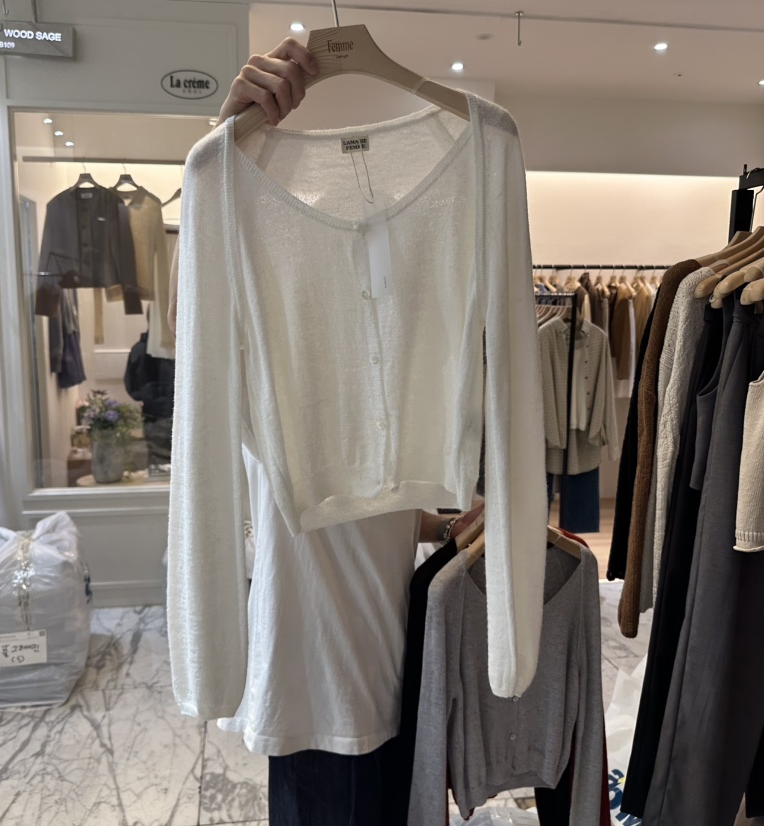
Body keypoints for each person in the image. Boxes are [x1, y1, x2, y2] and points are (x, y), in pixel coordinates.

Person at [169, 38, 485, 825]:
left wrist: (446, 523)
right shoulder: (267, 318)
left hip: (394, 648)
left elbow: (376, 497)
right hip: (314, 671)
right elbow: (197, 336)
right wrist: (223, 142)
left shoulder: (399, 337)